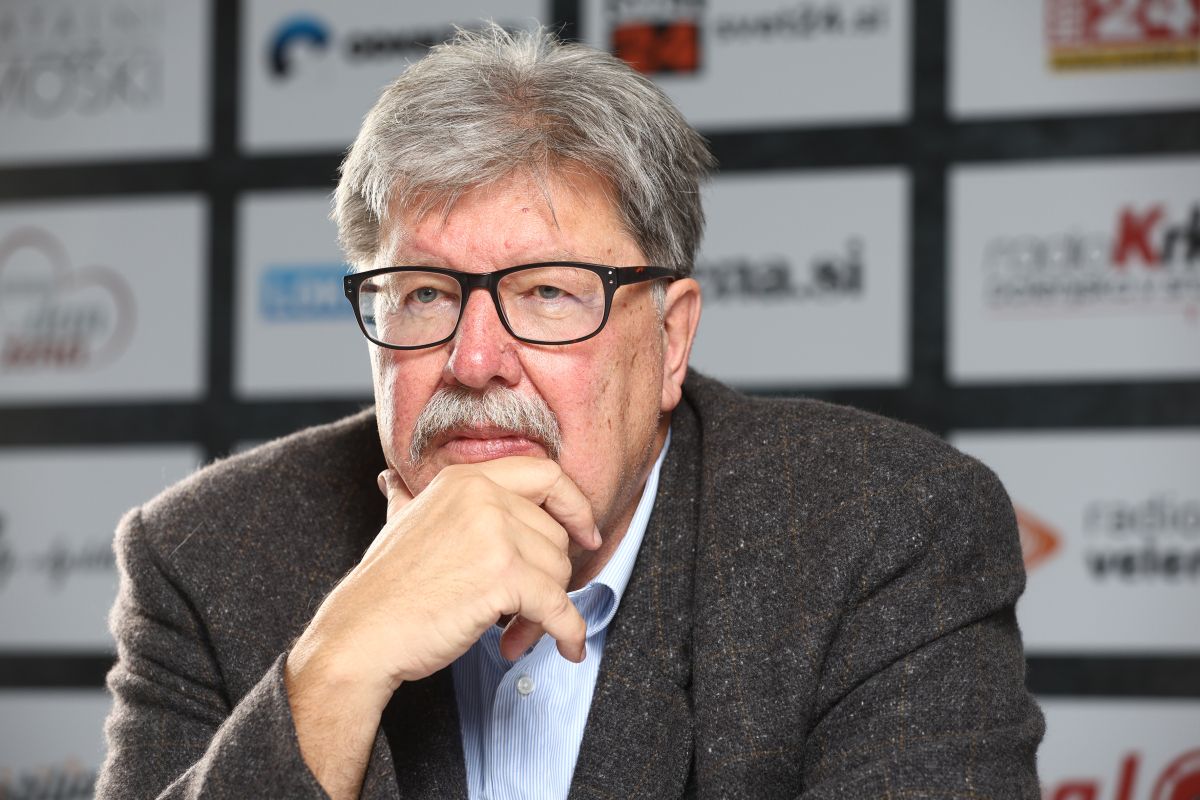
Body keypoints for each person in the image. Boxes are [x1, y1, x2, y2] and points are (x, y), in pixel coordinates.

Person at [96, 24, 1043, 800]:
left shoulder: (883, 533)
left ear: (670, 339)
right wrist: (334, 669)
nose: (473, 361)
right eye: (423, 294)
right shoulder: (208, 556)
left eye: (549, 292)